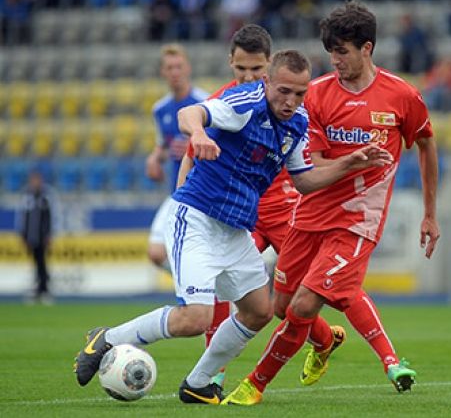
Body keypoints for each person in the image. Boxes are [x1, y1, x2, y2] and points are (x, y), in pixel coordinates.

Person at [73, 49, 393, 405]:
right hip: (196, 217)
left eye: (299, 94)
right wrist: (198, 134)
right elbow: (189, 112)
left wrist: (349, 164)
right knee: (196, 317)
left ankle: (198, 383)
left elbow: (305, 180)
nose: (290, 101)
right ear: (267, 81)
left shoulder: (297, 123)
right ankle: (108, 339)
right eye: (283, 91)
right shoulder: (245, 103)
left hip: (234, 230)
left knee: (259, 311)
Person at [223, 1, 440, 406]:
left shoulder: (402, 96)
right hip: (309, 215)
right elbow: (313, 164)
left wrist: (430, 214)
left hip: (358, 221)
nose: (335, 60)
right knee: (282, 307)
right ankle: (324, 345)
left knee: (306, 303)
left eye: (343, 51)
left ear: (367, 48)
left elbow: (427, 143)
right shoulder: (317, 95)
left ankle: (254, 384)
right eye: (331, 52)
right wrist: (352, 160)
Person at [177, 23, 276, 389]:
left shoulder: (287, 102)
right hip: (236, 218)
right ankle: (210, 375)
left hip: (283, 211)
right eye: (241, 69)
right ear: (230, 63)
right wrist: (181, 206)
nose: (249, 77)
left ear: (270, 64)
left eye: (256, 69)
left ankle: (322, 340)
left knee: (294, 298)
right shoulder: (221, 103)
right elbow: (190, 156)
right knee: (220, 294)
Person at [145, 43, 209, 273]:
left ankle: (202, 288)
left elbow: (222, 144)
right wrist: (154, 159)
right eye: (169, 67)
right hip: (177, 192)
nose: (174, 72)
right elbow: (164, 145)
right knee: (156, 252)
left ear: (188, 68)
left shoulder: (205, 102)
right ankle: (197, 284)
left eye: (178, 66)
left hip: (204, 193)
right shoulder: (160, 109)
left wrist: (194, 148)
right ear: (163, 72)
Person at [17, 170, 55, 304]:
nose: (35, 183)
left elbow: (49, 217)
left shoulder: (45, 197)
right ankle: (38, 289)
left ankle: (44, 290)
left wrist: (48, 234)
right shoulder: (28, 196)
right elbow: (23, 217)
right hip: (31, 236)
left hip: (42, 236)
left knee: (42, 263)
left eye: (37, 180)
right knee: (36, 263)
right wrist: (23, 234)